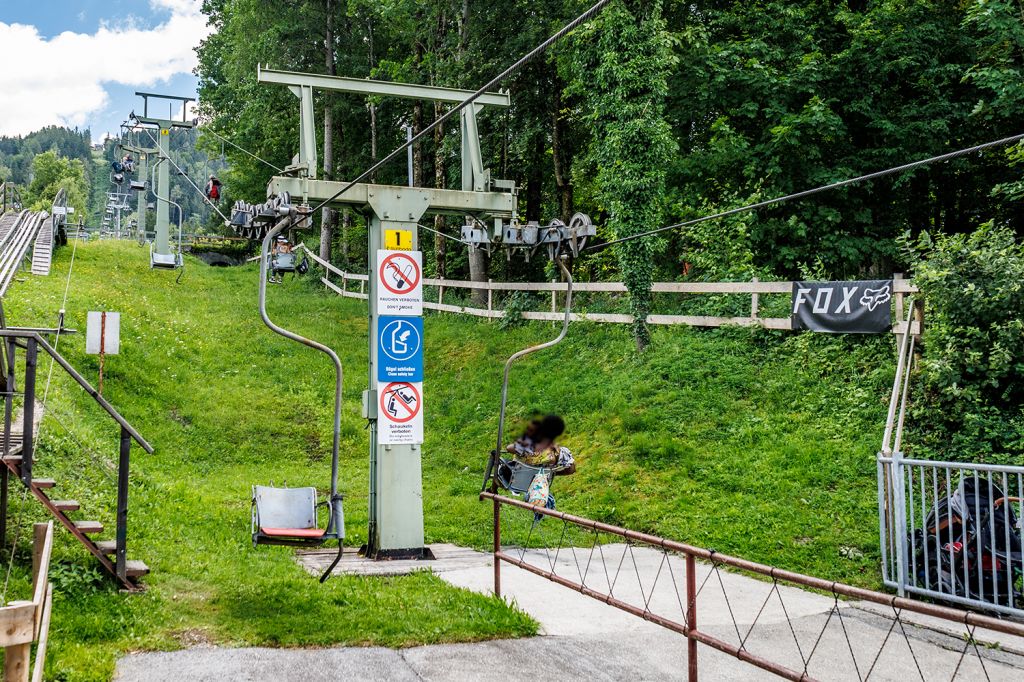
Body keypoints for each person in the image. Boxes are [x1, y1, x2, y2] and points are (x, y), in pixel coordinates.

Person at [506, 414, 576, 475]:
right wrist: (554, 473)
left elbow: (509, 448)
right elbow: (571, 469)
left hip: (519, 475)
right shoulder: (554, 454)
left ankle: (494, 490)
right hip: (540, 478)